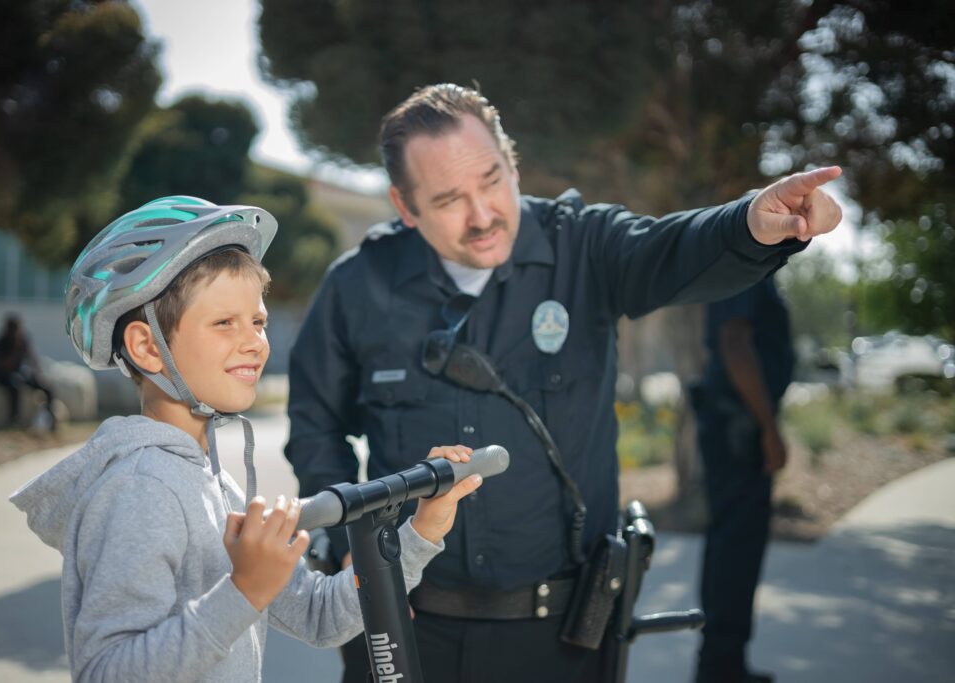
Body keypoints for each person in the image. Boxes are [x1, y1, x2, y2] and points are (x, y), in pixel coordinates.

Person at [285, 84, 842, 683]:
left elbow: (672, 251)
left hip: (565, 639)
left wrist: (751, 223)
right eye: (448, 199)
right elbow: (316, 425)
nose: (482, 215)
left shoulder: (583, 245)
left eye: (492, 181)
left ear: (512, 163)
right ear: (405, 204)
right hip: (410, 629)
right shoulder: (356, 286)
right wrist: (352, 545)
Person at [9, 196, 481, 683]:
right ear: (147, 347)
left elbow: (320, 617)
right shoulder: (139, 488)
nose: (255, 341)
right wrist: (244, 590)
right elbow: (109, 673)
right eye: (224, 323)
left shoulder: (212, 484)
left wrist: (422, 532)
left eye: (257, 321)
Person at [692, 277, 794, 683]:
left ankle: (723, 664)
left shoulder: (746, 266)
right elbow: (735, 344)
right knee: (737, 548)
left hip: (733, 425)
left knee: (732, 547)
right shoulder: (745, 263)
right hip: (739, 428)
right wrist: (768, 427)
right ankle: (720, 668)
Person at [0, 313, 56, 429]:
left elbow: (32, 359)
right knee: (15, 387)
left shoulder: (23, 341)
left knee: (47, 387)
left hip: (18, 372)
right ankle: (14, 420)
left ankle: (50, 419)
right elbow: (5, 365)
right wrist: (16, 348)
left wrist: (38, 374)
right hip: (1, 374)